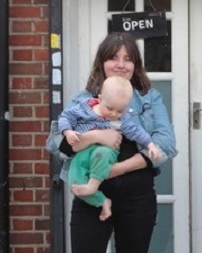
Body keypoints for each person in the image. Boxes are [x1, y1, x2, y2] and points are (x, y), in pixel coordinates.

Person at [46, 32, 177, 253]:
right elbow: (57, 145)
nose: (120, 65)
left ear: (136, 65)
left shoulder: (150, 98)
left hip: (137, 195)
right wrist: (96, 136)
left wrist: (112, 170)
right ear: (102, 62)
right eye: (113, 58)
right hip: (92, 197)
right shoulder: (83, 100)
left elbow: (166, 144)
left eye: (128, 59)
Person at [58, 76, 162, 222]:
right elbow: (65, 117)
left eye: (120, 111)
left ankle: (93, 185)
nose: (114, 114)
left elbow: (136, 131)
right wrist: (67, 131)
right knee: (75, 182)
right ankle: (102, 201)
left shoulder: (120, 120)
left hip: (105, 152)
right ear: (99, 99)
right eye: (110, 108)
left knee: (102, 154)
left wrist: (150, 144)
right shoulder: (83, 107)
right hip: (82, 153)